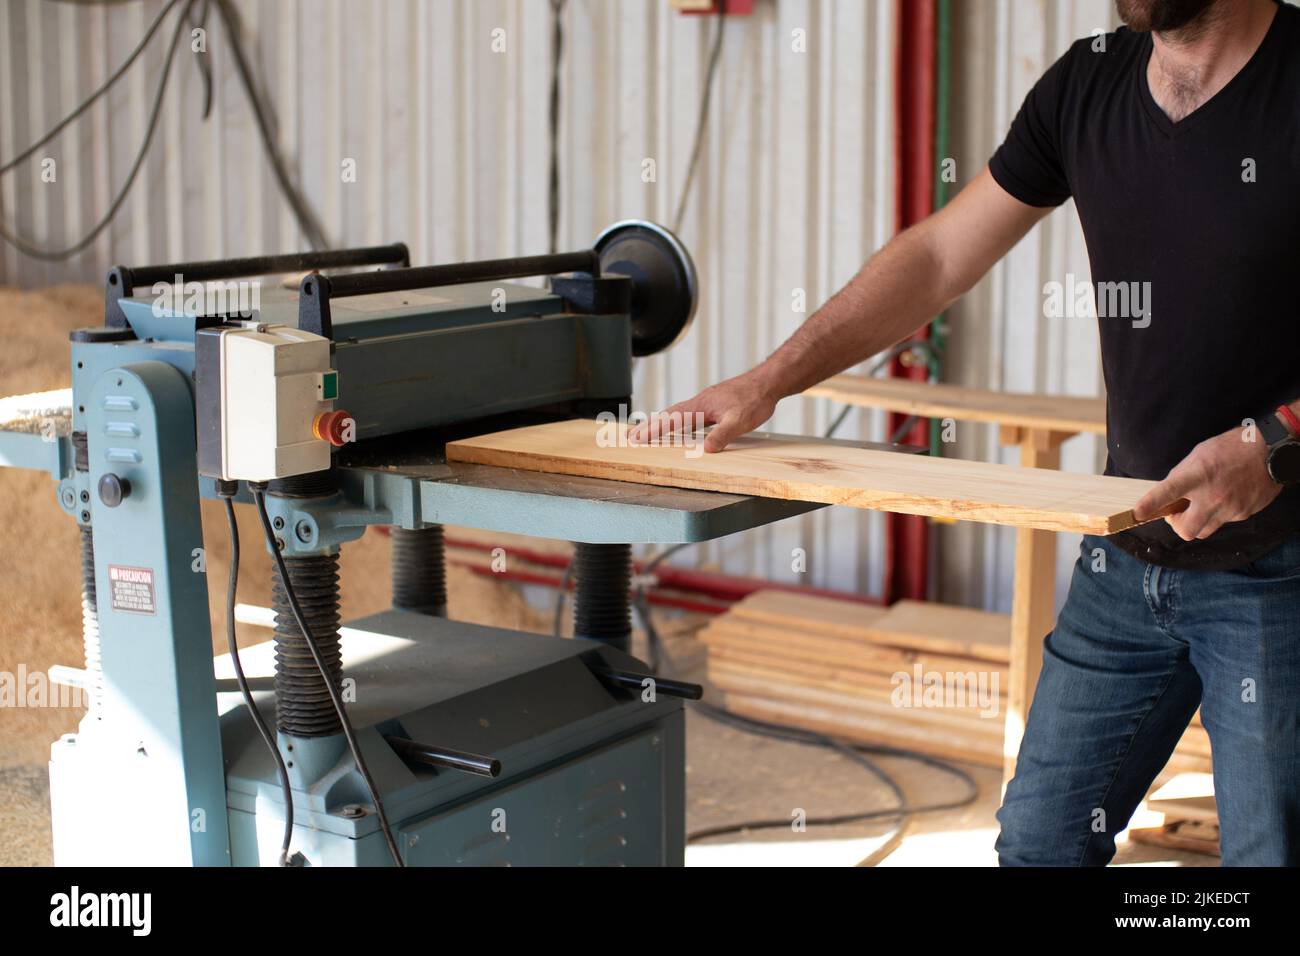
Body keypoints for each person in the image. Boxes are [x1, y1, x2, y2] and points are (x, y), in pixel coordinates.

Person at [632, 0, 1300, 865]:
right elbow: (938, 257)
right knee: (1036, 847)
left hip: (1280, 571)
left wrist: (1276, 442)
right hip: (1128, 548)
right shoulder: (1086, 80)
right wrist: (771, 381)